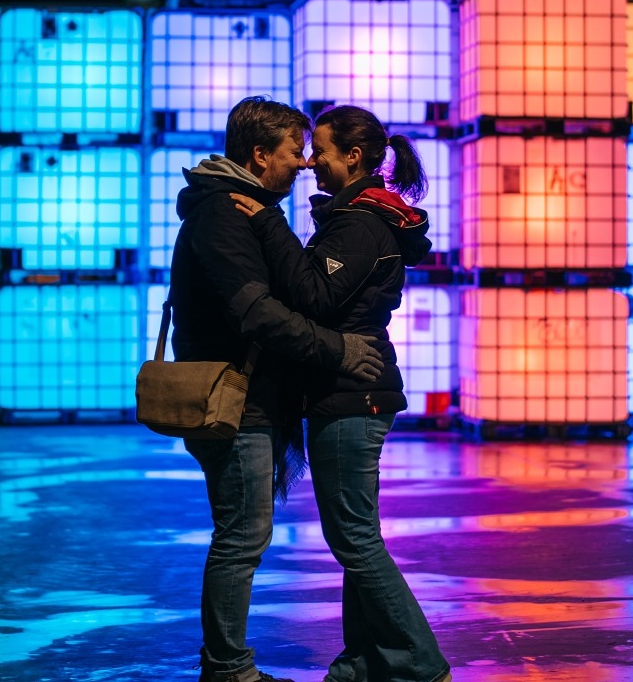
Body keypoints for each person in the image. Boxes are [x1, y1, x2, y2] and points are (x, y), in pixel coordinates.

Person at [170, 95, 389, 682]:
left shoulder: (249, 210)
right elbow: (258, 313)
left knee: (244, 532)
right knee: (242, 535)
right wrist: (336, 348)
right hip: (235, 399)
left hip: (252, 397)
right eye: (298, 152)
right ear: (262, 154)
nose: (306, 164)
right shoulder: (223, 215)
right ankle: (227, 669)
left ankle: (229, 664)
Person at [230, 104, 452, 682]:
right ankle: (365, 659)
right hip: (345, 394)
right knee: (357, 536)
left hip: (353, 394)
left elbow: (314, 297)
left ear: (353, 158)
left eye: (321, 153)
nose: (309, 163)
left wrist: (268, 223)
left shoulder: (357, 225)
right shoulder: (350, 216)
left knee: (353, 538)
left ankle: (422, 664)